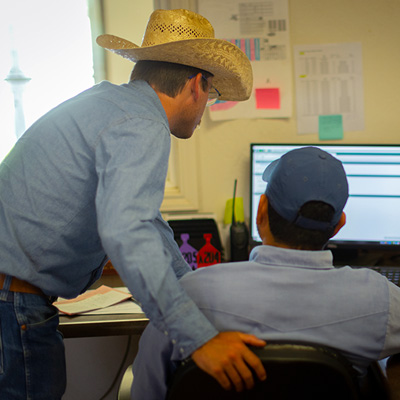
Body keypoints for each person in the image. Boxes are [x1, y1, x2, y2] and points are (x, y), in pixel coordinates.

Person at [0, 9, 267, 399]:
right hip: (12, 301)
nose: (206, 106)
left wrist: (194, 298)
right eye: (212, 95)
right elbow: (128, 230)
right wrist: (199, 339)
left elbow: (149, 225)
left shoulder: (112, 105)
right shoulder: (142, 124)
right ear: (197, 84)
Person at [131, 146, 400, 399]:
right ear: (339, 225)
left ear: (261, 211)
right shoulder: (380, 299)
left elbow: (147, 388)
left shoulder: (187, 295)